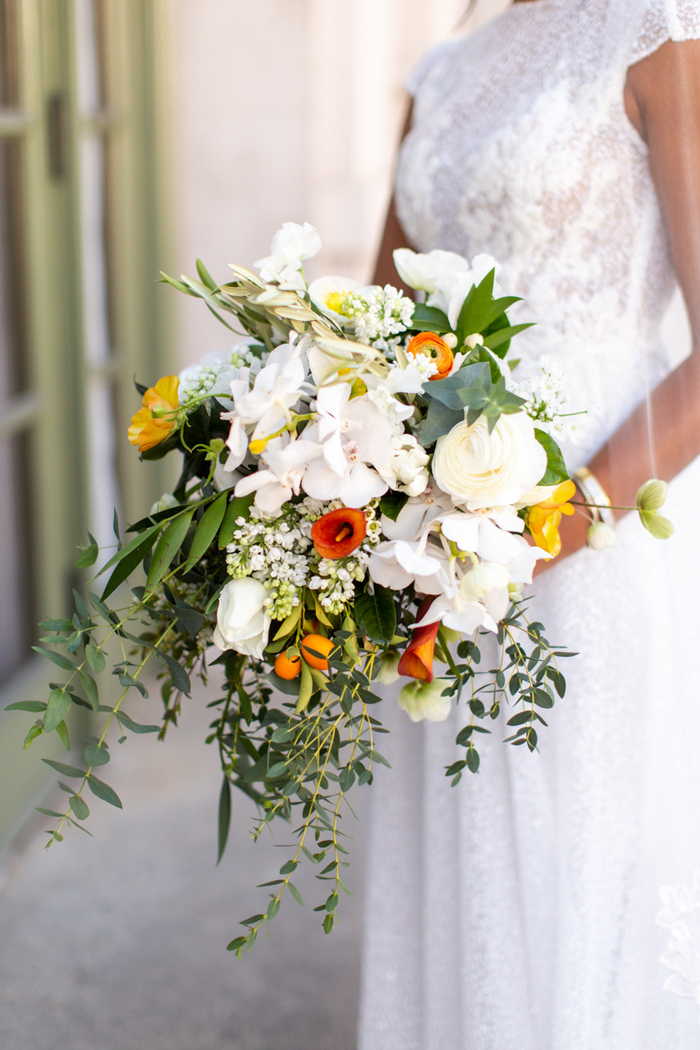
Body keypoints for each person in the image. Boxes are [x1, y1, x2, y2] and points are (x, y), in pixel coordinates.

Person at [358, 1, 700, 1047]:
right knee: (466, 864)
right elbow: (382, 324)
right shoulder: (442, 66)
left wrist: (550, 526)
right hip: (438, 546)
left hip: (600, 537)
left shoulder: (655, 32)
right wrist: (346, 480)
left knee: (583, 866)